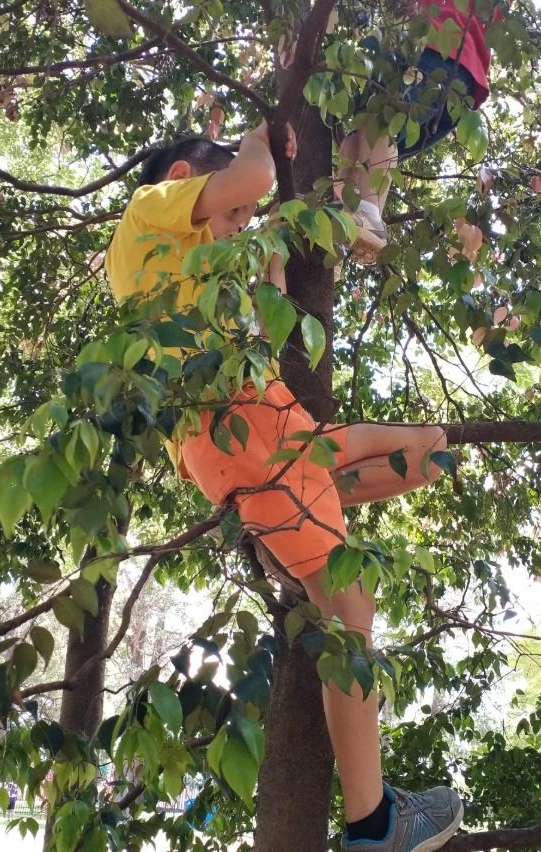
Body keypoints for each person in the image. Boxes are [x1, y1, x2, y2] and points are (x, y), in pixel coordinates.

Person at [105, 125, 463, 851]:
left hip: (271, 436)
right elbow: (251, 181)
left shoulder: (197, 274)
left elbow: (259, 281)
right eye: (228, 214)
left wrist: (300, 234)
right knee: (349, 610)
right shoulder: (151, 207)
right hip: (241, 428)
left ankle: (375, 814)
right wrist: (264, 129)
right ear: (183, 176)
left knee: (430, 454)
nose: (238, 223)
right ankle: (375, 823)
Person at [340, 0, 497, 263]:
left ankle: (366, 215)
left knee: (381, 118)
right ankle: (345, 228)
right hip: (455, 83)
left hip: (440, 56)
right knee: (362, 137)